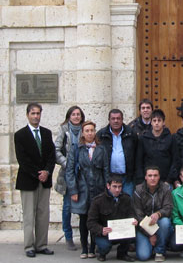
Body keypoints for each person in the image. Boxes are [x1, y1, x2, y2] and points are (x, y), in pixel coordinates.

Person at [14, 103, 56, 258]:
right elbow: (22, 159)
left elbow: (51, 155)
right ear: (27, 115)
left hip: (44, 181)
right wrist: (37, 173)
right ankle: (29, 246)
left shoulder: (46, 133)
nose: (36, 116)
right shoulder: (20, 135)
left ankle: (41, 244)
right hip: (28, 180)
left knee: (43, 214)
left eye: (38, 113)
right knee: (29, 215)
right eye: (33, 113)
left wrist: (47, 171)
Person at [66, 121, 110, 259]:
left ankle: (93, 247)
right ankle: (84, 247)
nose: (90, 133)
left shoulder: (101, 149)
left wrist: (107, 188)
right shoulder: (76, 149)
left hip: (98, 188)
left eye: (92, 130)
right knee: (84, 218)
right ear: (83, 133)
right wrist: (73, 190)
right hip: (82, 188)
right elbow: (70, 171)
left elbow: (106, 170)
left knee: (96, 218)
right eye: (87, 131)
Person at [55, 105, 85, 251]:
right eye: (73, 114)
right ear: (69, 116)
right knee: (67, 206)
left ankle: (85, 236)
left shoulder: (85, 129)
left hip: (83, 173)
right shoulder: (63, 130)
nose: (76, 117)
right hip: (68, 173)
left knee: (84, 206)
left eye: (78, 114)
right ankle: (68, 236)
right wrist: (67, 163)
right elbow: (56, 150)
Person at [87, 174, 137, 262]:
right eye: (114, 187)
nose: (117, 190)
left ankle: (122, 253)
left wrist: (133, 220)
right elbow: (90, 222)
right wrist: (101, 230)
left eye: (119, 187)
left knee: (132, 231)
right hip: (104, 233)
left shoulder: (127, 198)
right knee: (105, 246)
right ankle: (102, 253)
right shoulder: (98, 201)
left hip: (121, 231)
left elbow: (131, 213)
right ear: (108, 186)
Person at [133, 166, 173, 262]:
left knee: (166, 221)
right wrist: (150, 234)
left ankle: (160, 251)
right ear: (145, 177)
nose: (152, 178)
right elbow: (138, 215)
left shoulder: (166, 189)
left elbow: (168, 208)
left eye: (155, 175)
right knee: (143, 256)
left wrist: (159, 214)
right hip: (143, 227)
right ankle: (151, 245)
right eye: (150, 175)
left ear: (159, 177)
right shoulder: (138, 190)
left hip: (159, 223)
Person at [97, 109, 138, 196]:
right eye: (113, 118)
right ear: (109, 120)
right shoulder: (101, 135)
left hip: (127, 178)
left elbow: (137, 154)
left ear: (122, 120)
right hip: (110, 177)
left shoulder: (131, 133)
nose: (116, 121)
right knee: (110, 204)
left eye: (118, 118)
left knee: (127, 203)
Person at [135, 109, 179, 185]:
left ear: (163, 122)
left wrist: (169, 180)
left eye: (159, 120)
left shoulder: (171, 138)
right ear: (151, 122)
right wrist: (142, 180)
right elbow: (139, 161)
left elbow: (175, 160)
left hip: (166, 181)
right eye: (154, 121)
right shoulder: (143, 139)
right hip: (148, 181)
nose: (157, 123)